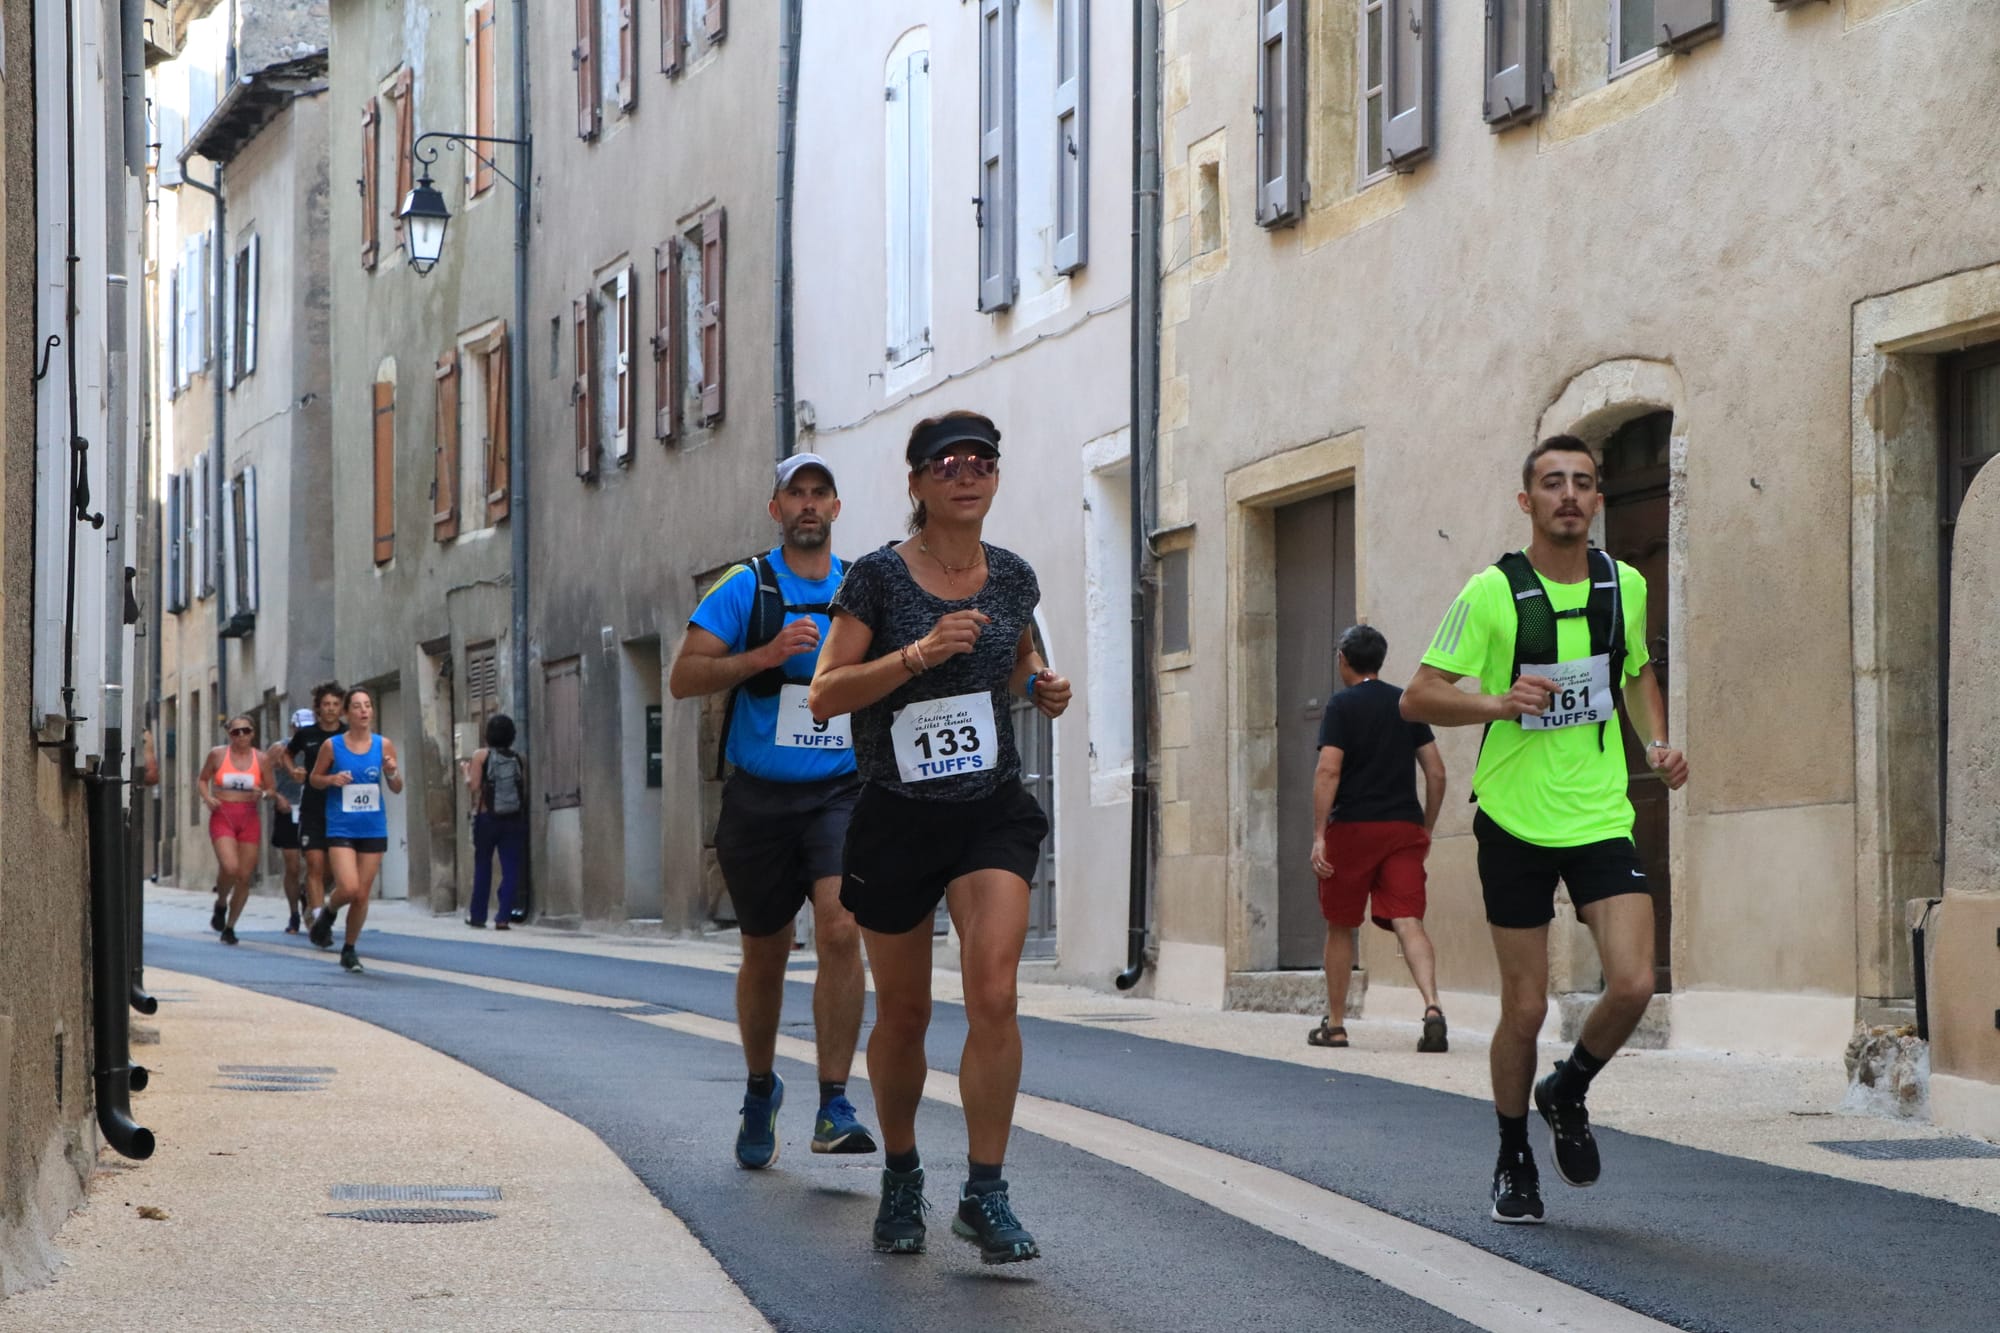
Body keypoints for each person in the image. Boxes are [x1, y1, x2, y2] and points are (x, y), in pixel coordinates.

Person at [1402, 435, 1689, 1226]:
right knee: (1524, 1009)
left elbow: (1633, 671)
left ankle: (1567, 1088)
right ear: (1527, 501)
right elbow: (1417, 696)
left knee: (1633, 982)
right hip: (1514, 821)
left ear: (1598, 501)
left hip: (1598, 812)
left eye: (1584, 484)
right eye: (1553, 483)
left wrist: (1655, 743)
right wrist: (1499, 703)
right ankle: (1511, 1152)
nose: (1570, 494)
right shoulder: (1492, 593)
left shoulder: (1623, 583)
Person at [809, 412, 1070, 1265]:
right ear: (917, 483)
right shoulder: (879, 580)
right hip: (898, 812)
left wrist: (1041, 684)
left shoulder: (1013, 578)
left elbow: (1017, 659)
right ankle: (902, 1173)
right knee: (909, 1011)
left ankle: (986, 1192)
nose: (968, 473)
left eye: (983, 460)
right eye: (947, 463)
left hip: (988, 809)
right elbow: (825, 694)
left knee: (994, 993)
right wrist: (916, 654)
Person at [667, 453, 876, 1169]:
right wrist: (765, 655)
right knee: (766, 949)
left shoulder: (862, 586)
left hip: (841, 790)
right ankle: (761, 1086)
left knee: (842, 927)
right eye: (797, 493)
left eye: (821, 492)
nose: (809, 504)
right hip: (758, 796)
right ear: (776, 509)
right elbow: (683, 676)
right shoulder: (746, 585)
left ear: (837, 508)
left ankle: (835, 1099)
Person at [1306, 624, 1449, 1052]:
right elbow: (1437, 772)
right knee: (1410, 921)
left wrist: (1318, 835)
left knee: (1340, 926)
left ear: (1343, 660)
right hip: (1402, 827)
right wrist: (1425, 827)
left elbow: (1328, 770)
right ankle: (1433, 1007)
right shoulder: (1406, 703)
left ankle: (1335, 1024)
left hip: (1352, 829)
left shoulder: (1341, 706)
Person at [307, 687, 404, 973]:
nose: (363, 711)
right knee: (348, 887)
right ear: (347, 713)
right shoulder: (332, 746)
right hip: (341, 825)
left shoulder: (383, 745)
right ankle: (328, 912)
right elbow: (314, 779)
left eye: (368, 706)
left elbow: (396, 788)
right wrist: (332, 779)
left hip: (373, 826)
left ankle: (349, 949)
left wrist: (392, 771)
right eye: (357, 706)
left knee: (362, 894)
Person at [197, 715, 280, 946]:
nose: (241, 736)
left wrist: (262, 794)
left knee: (244, 877)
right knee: (230, 867)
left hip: (249, 817)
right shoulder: (218, 755)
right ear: (229, 734)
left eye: (246, 731)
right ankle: (221, 901)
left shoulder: (261, 759)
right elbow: (203, 779)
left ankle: (230, 926)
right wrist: (208, 798)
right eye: (236, 732)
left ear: (253, 733)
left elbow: (272, 789)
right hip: (223, 815)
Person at [285, 683, 346, 944]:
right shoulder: (306, 734)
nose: (330, 709)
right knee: (314, 864)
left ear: (341, 708)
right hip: (312, 807)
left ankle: (311, 900)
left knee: (332, 871)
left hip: (340, 808)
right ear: (318, 708)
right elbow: (287, 755)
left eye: (335, 704)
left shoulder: (348, 734)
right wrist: (293, 771)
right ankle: (321, 923)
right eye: (326, 705)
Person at [462, 714, 528, 931]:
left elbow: (474, 786)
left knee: (483, 865)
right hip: (512, 818)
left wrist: (465, 772)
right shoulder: (518, 758)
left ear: (488, 734)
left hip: (486, 817)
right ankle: (503, 917)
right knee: (510, 868)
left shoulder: (481, 755)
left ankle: (478, 915)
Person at [269, 708, 314, 932]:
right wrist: (276, 796)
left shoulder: (318, 746)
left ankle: (307, 891)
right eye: (300, 729)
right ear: (293, 727)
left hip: (311, 808)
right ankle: (294, 914)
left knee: (320, 863)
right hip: (288, 808)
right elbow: (262, 776)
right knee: (293, 865)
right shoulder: (279, 749)